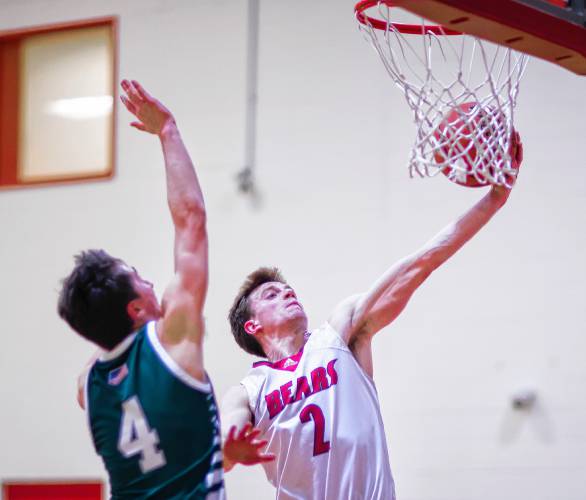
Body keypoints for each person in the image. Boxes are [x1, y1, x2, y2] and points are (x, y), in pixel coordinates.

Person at [221, 134, 523, 499]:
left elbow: (421, 263)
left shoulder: (339, 335)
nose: (287, 292)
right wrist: (228, 451)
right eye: (272, 294)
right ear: (253, 326)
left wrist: (493, 201)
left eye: (288, 289)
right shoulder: (249, 390)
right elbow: (226, 439)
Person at [59, 80, 271, 499]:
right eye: (140, 278)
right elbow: (190, 219)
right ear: (137, 309)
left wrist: (219, 455)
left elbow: (163, 463)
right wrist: (167, 131)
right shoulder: (172, 341)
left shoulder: (89, 386)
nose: (154, 281)